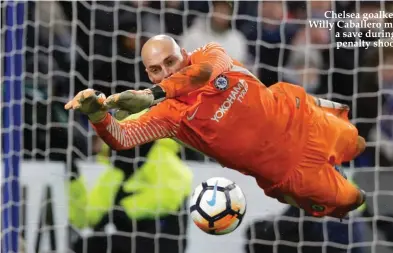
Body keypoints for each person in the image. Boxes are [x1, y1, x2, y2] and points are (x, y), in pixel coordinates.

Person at [65, 35, 367, 218]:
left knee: (359, 145)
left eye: (171, 61)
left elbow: (206, 72)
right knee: (352, 202)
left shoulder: (211, 53)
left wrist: (151, 95)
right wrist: (97, 115)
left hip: (306, 120)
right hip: (288, 172)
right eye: (156, 70)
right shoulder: (169, 116)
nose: (166, 72)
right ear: (148, 73)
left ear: (184, 53)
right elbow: (121, 136)